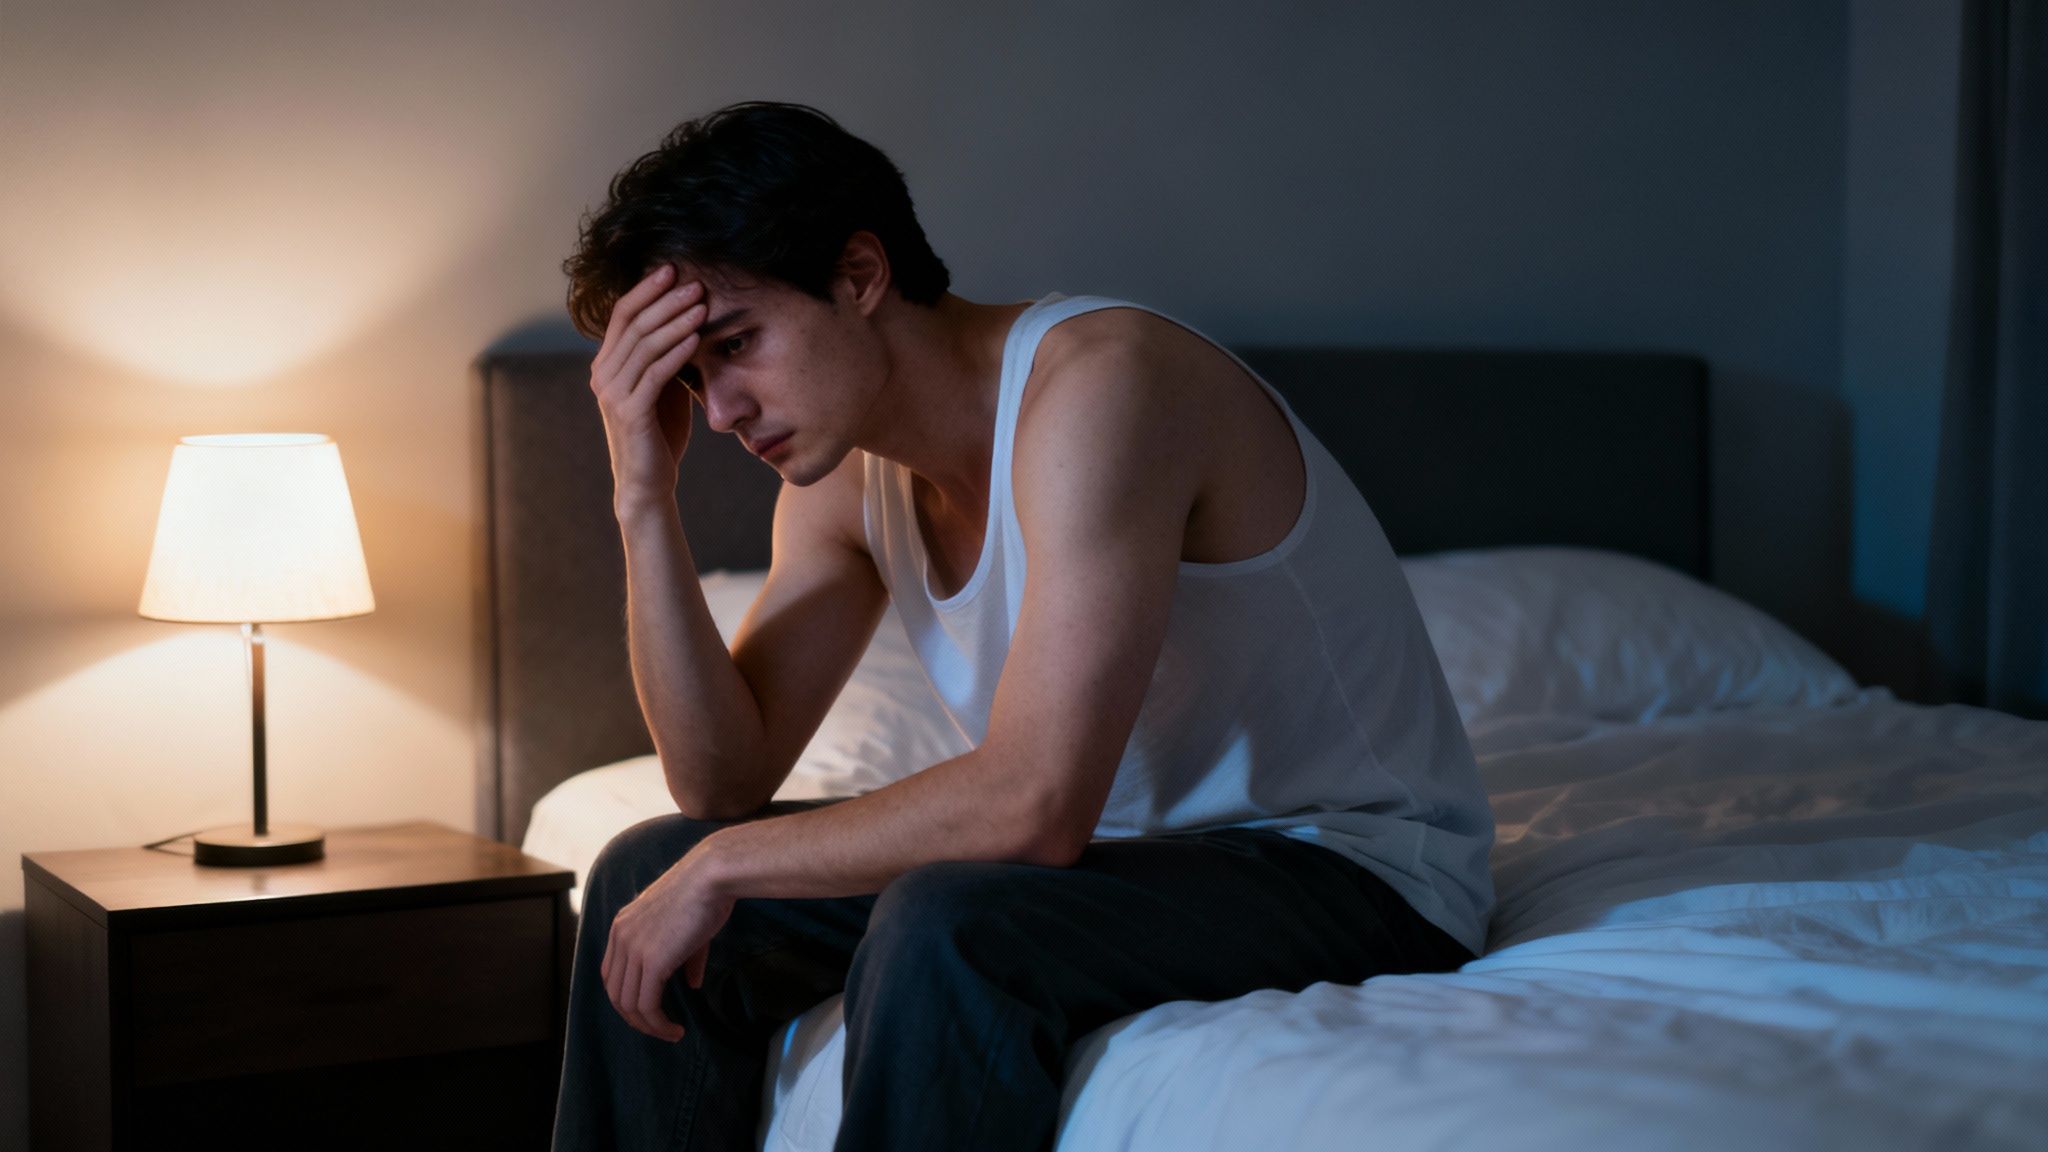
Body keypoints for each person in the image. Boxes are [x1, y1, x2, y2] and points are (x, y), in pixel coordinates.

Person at [550, 100, 1495, 1152]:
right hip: (1114, 869)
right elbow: (721, 787)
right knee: (646, 863)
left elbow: (1036, 803)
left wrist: (723, 868)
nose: (720, 410)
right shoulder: (839, 482)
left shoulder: (1101, 388)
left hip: (1347, 870)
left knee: (947, 923)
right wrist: (641, 496)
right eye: (690, 377)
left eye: (736, 344)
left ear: (859, 274)